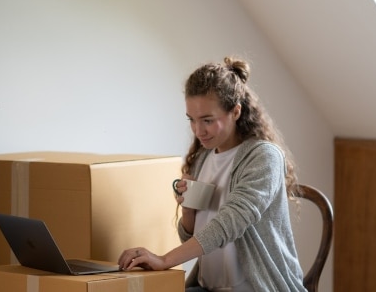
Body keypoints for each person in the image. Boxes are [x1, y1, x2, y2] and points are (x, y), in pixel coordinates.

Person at [118, 56, 306, 292]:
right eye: (192, 120)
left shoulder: (263, 157)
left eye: (207, 120)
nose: (198, 131)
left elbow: (229, 223)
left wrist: (164, 260)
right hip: (208, 287)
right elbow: (193, 240)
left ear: (235, 111)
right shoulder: (204, 157)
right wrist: (188, 208)